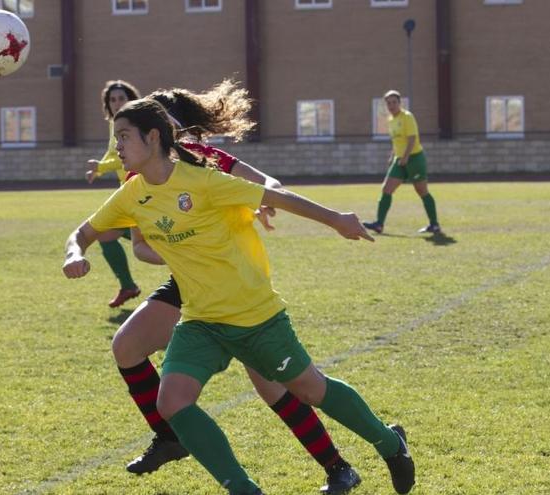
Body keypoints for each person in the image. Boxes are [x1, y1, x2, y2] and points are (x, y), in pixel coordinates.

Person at [64, 98, 416, 495]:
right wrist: (75, 252)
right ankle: (243, 489)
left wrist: (336, 219)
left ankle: (389, 443)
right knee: (173, 401)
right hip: (200, 320)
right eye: (116, 139)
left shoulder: (203, 180)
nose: (118, 148)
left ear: (152, 137)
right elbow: (84, 232)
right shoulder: (132, 195)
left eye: (124, 137)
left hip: (255, 315)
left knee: (310, 390)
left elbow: (274, 196)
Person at [84, 80, 142, 307]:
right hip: (127, 190)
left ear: (131, 99)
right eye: (112, 99)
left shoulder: (136, 122)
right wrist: (98, 169)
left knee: (159, 241)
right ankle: (128, 286)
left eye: (121, 98)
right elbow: (113, 153)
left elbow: (126, 154)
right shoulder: (115, 124)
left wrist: (101, 167)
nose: (117, 103)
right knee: (106, 233)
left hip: (142, 188)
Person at [362, 90, 441, 234]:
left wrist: (405, 157)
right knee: (386, 189)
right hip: (399, 159)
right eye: (388, 103)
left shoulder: (407, 117)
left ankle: (434, 225)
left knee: (421, 191)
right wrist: (393, 155)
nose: (391, 105)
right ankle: (379, 224)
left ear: (400, 103)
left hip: (414, 158)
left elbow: (412, 139)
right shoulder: (391, 120)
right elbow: (396, 140)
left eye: (394, 102)